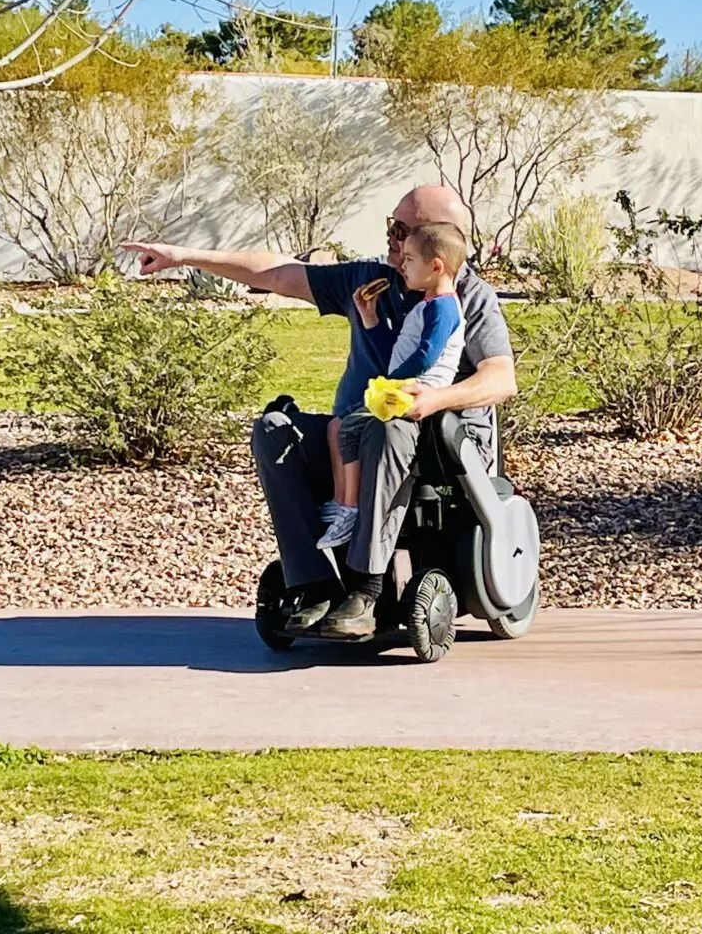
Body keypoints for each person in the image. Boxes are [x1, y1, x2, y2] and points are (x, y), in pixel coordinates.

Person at [122, 184, 516, 641]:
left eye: (401, 229)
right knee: (276, 430)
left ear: (438, 246)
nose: (391, 237)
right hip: (356, 429)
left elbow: (500, 379)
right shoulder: (371, 280)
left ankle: (366, 590)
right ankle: (314, 586)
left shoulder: (469, 298)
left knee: (385, 433)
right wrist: (182, 255)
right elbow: (278, 273)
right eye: (391, 226)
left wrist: (432, 400)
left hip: (432, 443)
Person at [319, 222, 466, 551]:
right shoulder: (427, 305)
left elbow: (426, 355)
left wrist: (394, 381)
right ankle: (344, 504)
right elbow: (396, 351)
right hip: (403, 386)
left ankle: (349, 509)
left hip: (413, 392)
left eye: (410, 260)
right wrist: (368, 317)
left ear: (436, 266)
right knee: (339, 428)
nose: (402, 265)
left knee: (345, 429)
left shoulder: (443, 308)